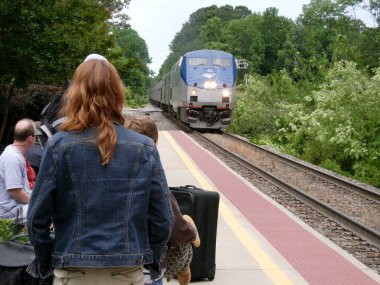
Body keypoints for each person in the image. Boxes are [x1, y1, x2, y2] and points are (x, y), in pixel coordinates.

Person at [27, 54, 174, 285]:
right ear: (117, 93)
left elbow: (37, 217)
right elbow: (163, 218)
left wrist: (47, 260)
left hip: (73, 270)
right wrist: (150, 259)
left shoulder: (59, 146)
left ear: (74, 93)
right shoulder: (144, 147)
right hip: (126, 271)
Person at [124, 116, 200, 285]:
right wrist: (192, 233)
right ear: (155, 145)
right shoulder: (154, 180)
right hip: (145, 266)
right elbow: (168, 223)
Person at [0, 118, 36, 224]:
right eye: (36, 136)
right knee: (47, 209)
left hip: (15, 205)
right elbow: (15, 192)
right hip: (8, 211)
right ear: (30, 138)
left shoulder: (15, 154)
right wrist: (37, 202)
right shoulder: (12, 158)